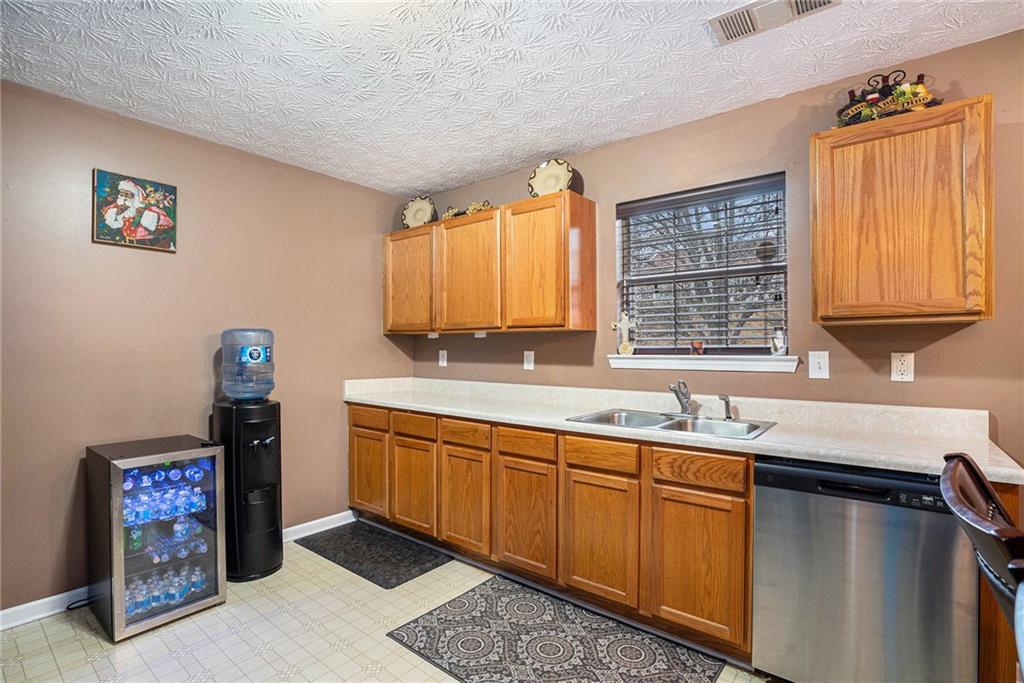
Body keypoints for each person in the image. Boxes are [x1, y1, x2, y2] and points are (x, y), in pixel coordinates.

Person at [102, 179, 173, 244]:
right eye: (122, 194)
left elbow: (169, 223)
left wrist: (145, 215)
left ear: (136, 197)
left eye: (128, 194)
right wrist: (115, 213)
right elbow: (108, 216)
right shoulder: (121, 209)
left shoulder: (149, 208)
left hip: (150, 244)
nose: (124, 197)